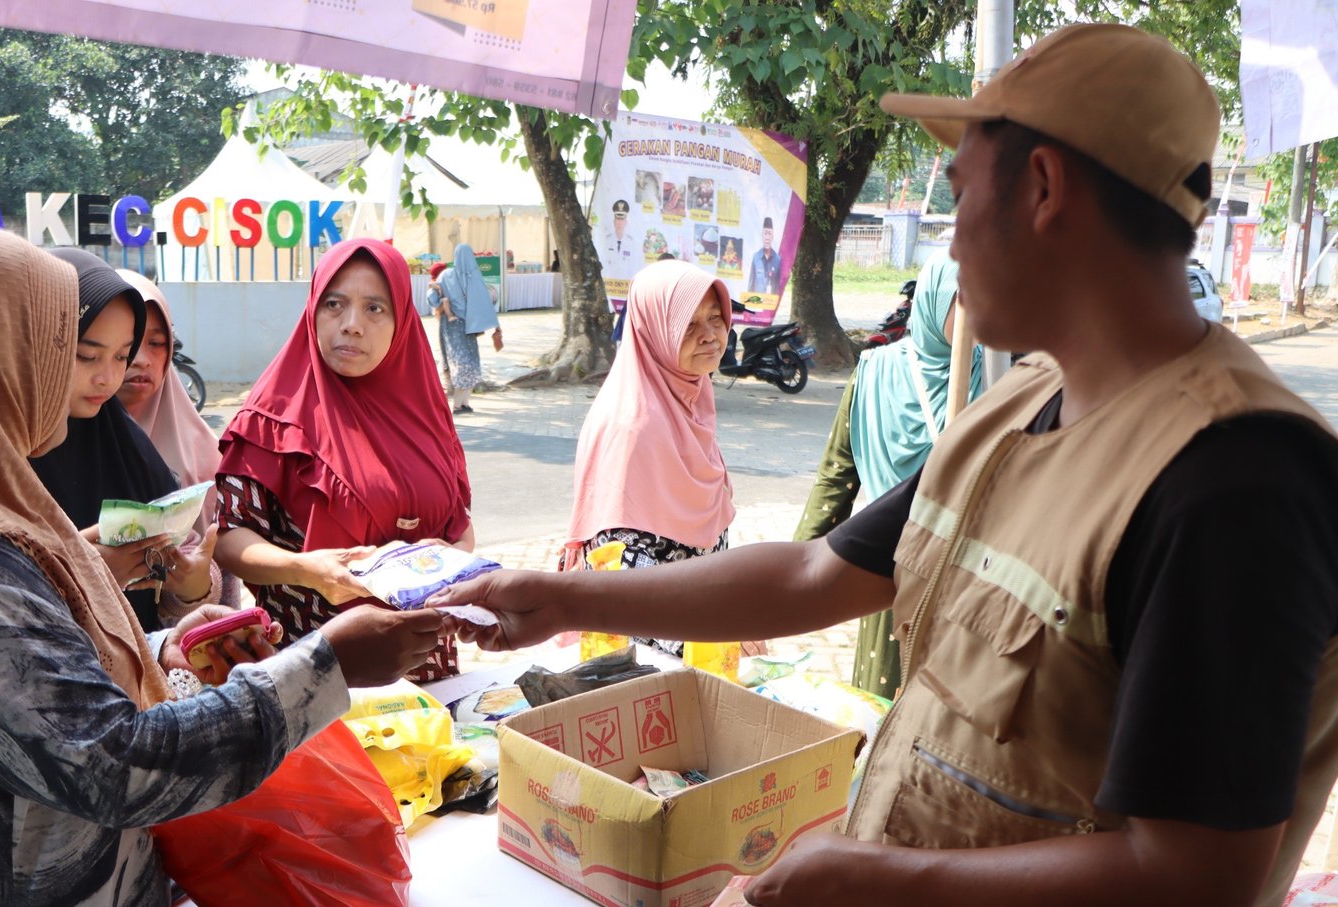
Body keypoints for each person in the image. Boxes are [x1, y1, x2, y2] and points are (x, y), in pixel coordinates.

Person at [432, 24, 1338, 907]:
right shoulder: (1022, 400)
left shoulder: (1236, 482)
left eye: (957, 193)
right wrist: (568, 599)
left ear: (1044, 186)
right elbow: (817, 571)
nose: (947, 241)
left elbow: (1193, 875)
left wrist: (889, 879)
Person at [0, 219, 449, 906]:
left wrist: (159, 646)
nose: (91, 377)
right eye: (56, 346)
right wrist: (327, 668)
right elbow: (112, 762)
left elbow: (28, 690)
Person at [215, 238, 476, 682]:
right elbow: (229, 538)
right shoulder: (273, 417)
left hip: (427, 671)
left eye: (375, 309)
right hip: (315, 672)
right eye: (335, 304)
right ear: (313, 310)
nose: (352, 324)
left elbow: (460, 525)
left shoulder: (427, 413)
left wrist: (451, 557)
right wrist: (306, 569)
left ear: (402, 322)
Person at [793, 252, 979, 699]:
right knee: (883, 717)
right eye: (967, 300)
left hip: (971, 588)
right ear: (935, 301)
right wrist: (794, 574)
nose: (983, 313)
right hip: (889, 582)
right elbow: (835, 482)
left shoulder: (1001, 380)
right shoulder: (874, 375)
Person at [29, 249, 218, 632]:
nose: (109, 378)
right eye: (86, 356)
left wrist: (193, 587)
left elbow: (172, 576)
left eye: (120, 356)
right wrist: (80, 573)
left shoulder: (119, 439)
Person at [565, 261, 733, 657]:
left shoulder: (691, 400)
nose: (710, 336)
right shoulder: (633, 428)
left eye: (715, 318)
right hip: (653, 655)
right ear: (655, 332)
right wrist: (703, 646)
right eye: (688, 326)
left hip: (702, 631)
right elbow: (621, 580)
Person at [113, 268, 242, 606]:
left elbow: (222, 584)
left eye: (156, 343)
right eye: (125, 344)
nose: (141, 360)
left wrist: (194, 587)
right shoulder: (53, 446)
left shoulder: (205, 456)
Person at [438, 242, 502, 414]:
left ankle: (464, 403)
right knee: (465, 363)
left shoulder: (446, 275)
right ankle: (458, 405)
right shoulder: (473, 277)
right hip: (464, 326)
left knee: (466, 362)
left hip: (453, 327)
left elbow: (433, 296)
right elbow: (485, 303)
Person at [425, 261, 453, 388]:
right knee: (446, 351)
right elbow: (438, 308)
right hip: (445, 324)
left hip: (455, 323)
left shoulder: (449, 286)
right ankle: (448, 381)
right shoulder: (432, 291)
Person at [748, 216, 783, 295]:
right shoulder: (756, 257)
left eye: (769, 234)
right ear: (762, 236)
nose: (767, 237)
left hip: (770, 305)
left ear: (772, 236)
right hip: (756, 303)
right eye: (765, 233)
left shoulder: (778, 259)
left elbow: (778, 286)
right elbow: (751, 284)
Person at [600, 199, 636, 266]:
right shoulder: (607, 241)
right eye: (617, 220)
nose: (619, 223)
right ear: (614, 222)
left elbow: (633, 264)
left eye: (622, 220)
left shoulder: (631, 243)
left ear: (625, 223)